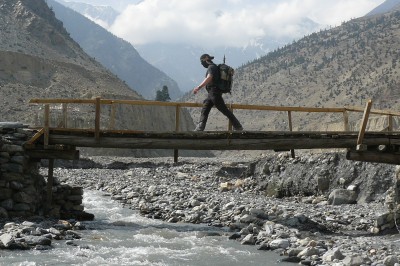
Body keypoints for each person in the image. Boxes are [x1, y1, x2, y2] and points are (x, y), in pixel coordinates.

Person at [192, 54, 243, 131]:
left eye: (202, 61)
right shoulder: (215, 67)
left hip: (214, 92)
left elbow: (209, 77)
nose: (202, 64)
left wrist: (198, 87)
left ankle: (238, 127)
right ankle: (200, 127)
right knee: (206, 107)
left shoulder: (211, 67)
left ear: (205, 59)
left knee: (224, 109)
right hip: (212, 93)